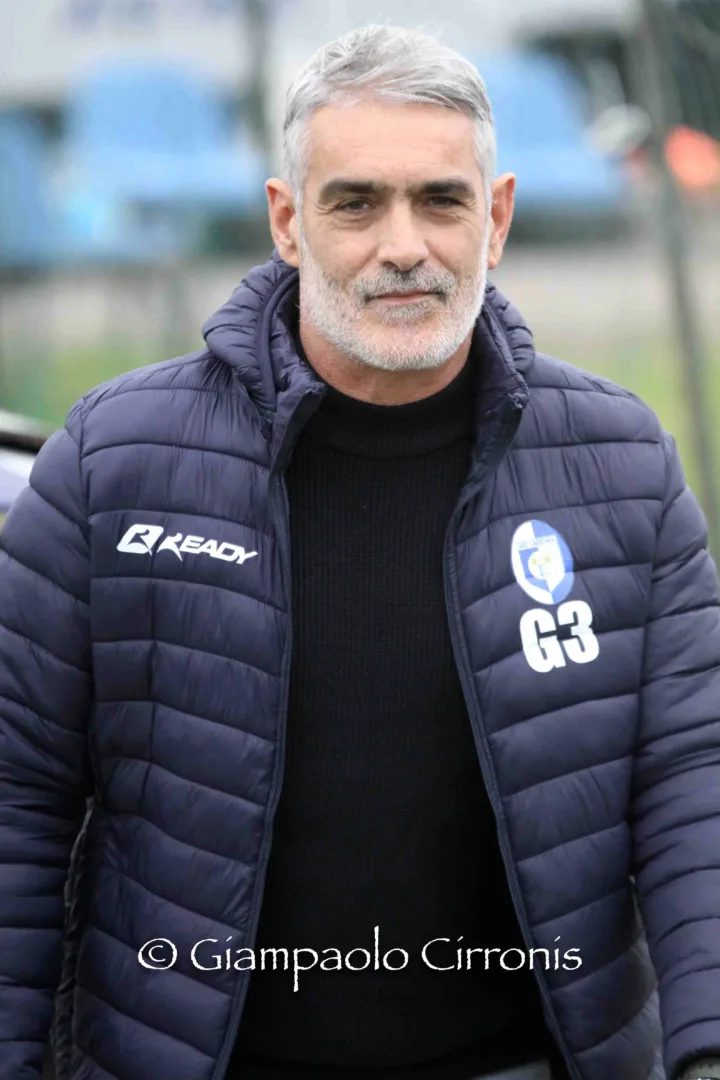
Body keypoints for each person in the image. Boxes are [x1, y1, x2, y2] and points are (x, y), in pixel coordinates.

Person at [0, 23, 719, 1080]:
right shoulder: (116, 461)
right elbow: (19, 796)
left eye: (441, 200)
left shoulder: (621, 461)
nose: (403, 245)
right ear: (287, 221)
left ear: (497, 218)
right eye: (356, 203)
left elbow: (694, 778)